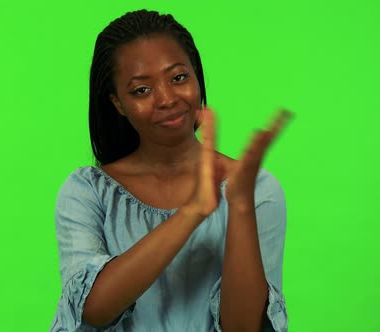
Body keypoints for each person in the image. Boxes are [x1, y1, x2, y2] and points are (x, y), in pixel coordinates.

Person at [50, 9, 291, 332]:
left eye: (179, 78)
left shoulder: (256, 189)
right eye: (141, 90)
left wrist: (241, 204)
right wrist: (193, 210)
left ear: (197, 76)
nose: (166, 99)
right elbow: (94, 308)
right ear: (118, 103)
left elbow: (243, 327)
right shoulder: (87, 191)